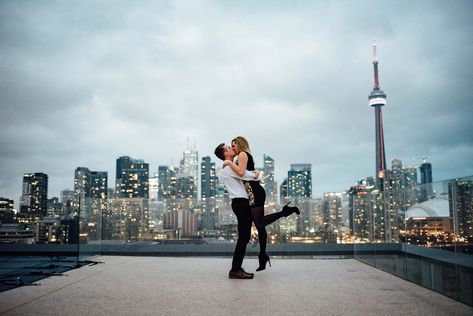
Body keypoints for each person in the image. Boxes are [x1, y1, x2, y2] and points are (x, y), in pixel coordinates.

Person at [224, 136, 300, 271]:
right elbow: (246, 173)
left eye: (234, 145)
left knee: (259, 223)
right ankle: (263, 255)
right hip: (253, 192)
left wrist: (229, 164)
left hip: (255, 192)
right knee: (260, 226)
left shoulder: (242, 154)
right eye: (231, 146)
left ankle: (285, 212)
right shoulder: (241, 156)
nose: (233, 147)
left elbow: (241, 173)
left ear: (240, 144)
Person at [214, 142, 261, 279]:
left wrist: (254, 174)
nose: (231, 148)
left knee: (244, 237)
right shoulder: (228, 168)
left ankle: (236, 268)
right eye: (228, 148)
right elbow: (245, 175)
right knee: (243, 237)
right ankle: (235, 269)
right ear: (225, 154)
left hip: (240, 203)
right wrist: (256, 174)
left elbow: (244, 174)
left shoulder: (229, 167)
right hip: (240, 203)